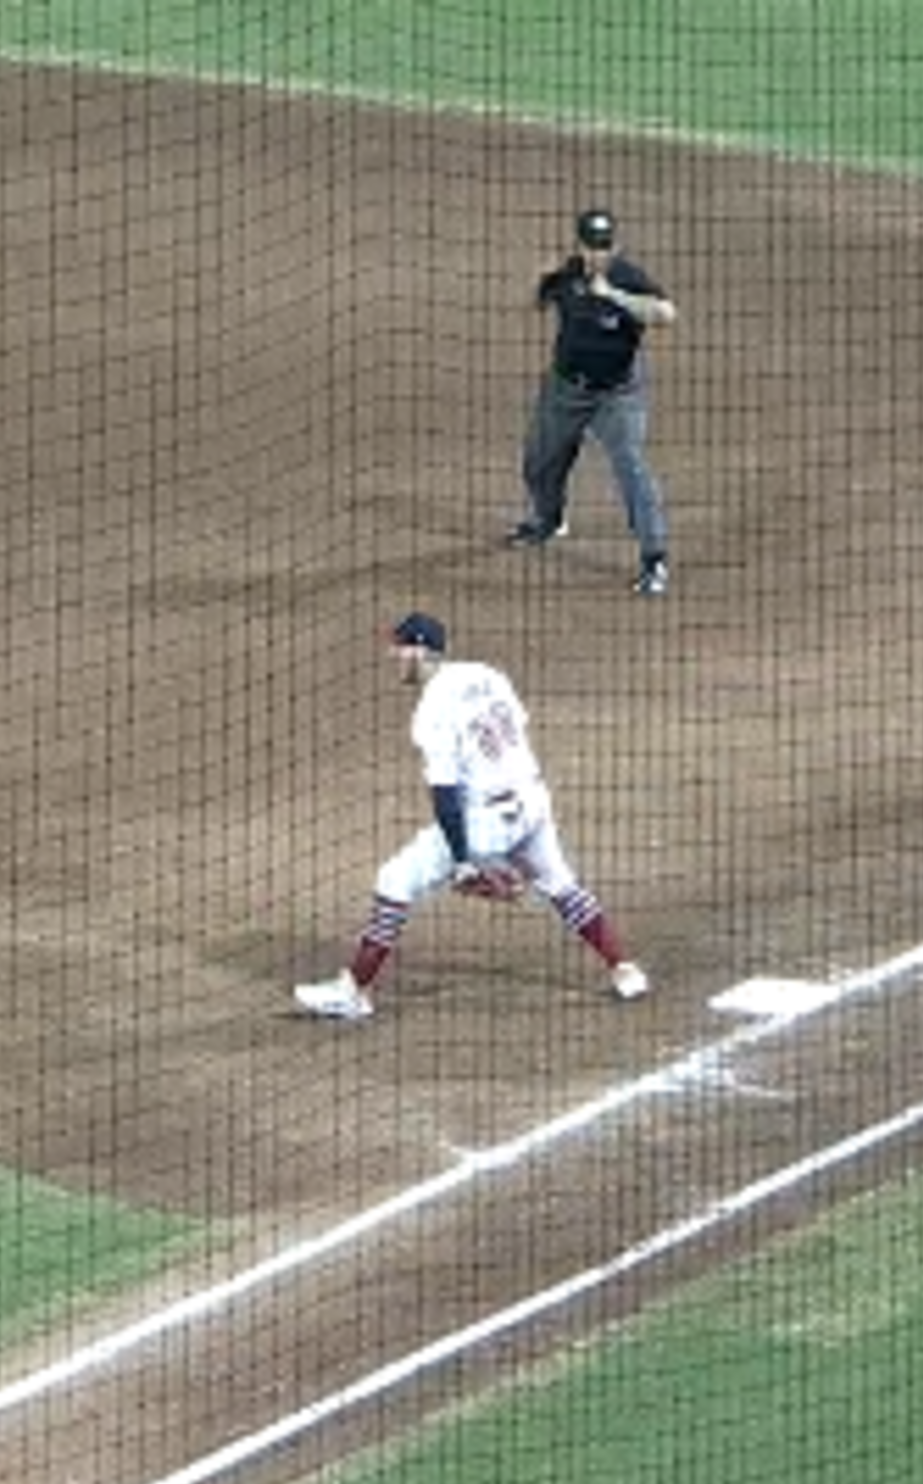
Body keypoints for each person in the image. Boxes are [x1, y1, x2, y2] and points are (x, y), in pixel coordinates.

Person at [295, 612, 650, 1020]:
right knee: (560, 884)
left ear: (421, 649)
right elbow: (515, 727)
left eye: (401, 648)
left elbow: (445, 795)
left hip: (487, 820)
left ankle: (354, 991)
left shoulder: (431, 709)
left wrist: (465, 861)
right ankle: (624, 968)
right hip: (532, 799)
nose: (396, 657)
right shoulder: (486, 673)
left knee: (395, 879)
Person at [506, 207, 678, 598]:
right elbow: (531, 303)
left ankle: (655, 559)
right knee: (538, 461)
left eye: (604, 246)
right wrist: (539, 277)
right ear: (580, 245)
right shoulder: (567, 275)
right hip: (565, 389)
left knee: (631, 466)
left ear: (614, 245)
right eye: (591, 247)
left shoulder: (628, 278)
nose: (598, 254)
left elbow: (666, 313)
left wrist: (615, 296)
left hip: (617, 394)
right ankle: (548, 520)